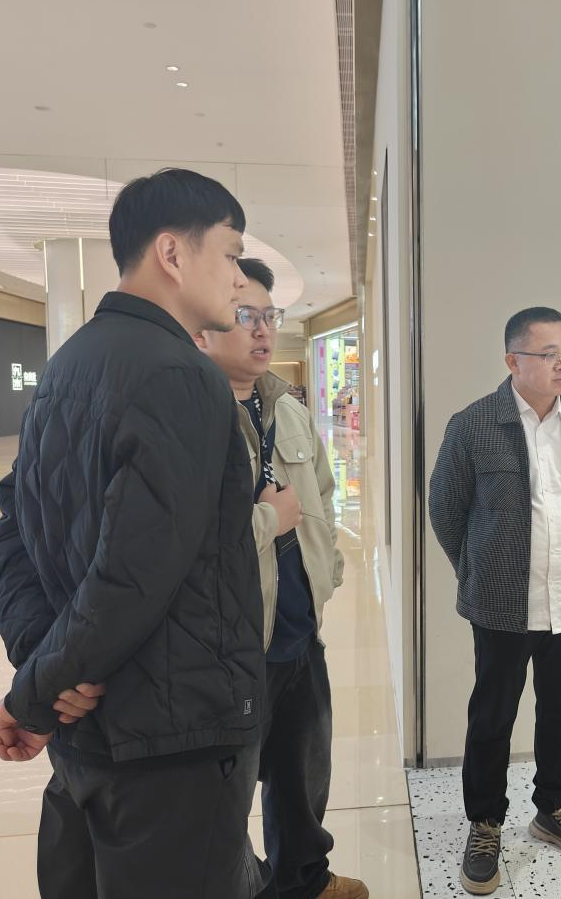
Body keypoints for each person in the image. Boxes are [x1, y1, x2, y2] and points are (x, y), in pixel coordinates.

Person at [0, 168, 271, 899]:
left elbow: (13, 540)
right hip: (171, 736)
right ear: (172, 253)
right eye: (231, 254)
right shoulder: (180, 375)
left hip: (91, 734)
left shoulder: (68, 366)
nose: (239, 280)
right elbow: (134, 576)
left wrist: (46, 674)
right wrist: (39, 693)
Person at [195, 257, 365, 899]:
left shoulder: (287, 410)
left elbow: (322, 492)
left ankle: (304, 879)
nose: (263, 329)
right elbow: (186, 543)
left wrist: (327, 575)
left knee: (303, 773)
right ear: (203, 327)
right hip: (233, 649)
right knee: (226, 793)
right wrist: (270, 519)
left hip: (299, 631)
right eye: (246, 315)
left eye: (270, 316)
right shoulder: (194, 417)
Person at [429, 307, 561, 896]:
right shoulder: (474, 424)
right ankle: (485, 822)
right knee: (492, 718)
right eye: (548, 354)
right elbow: (446, 511)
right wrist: (482, 571)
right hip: (503, 604)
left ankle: (554, 807)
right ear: (513, 361)